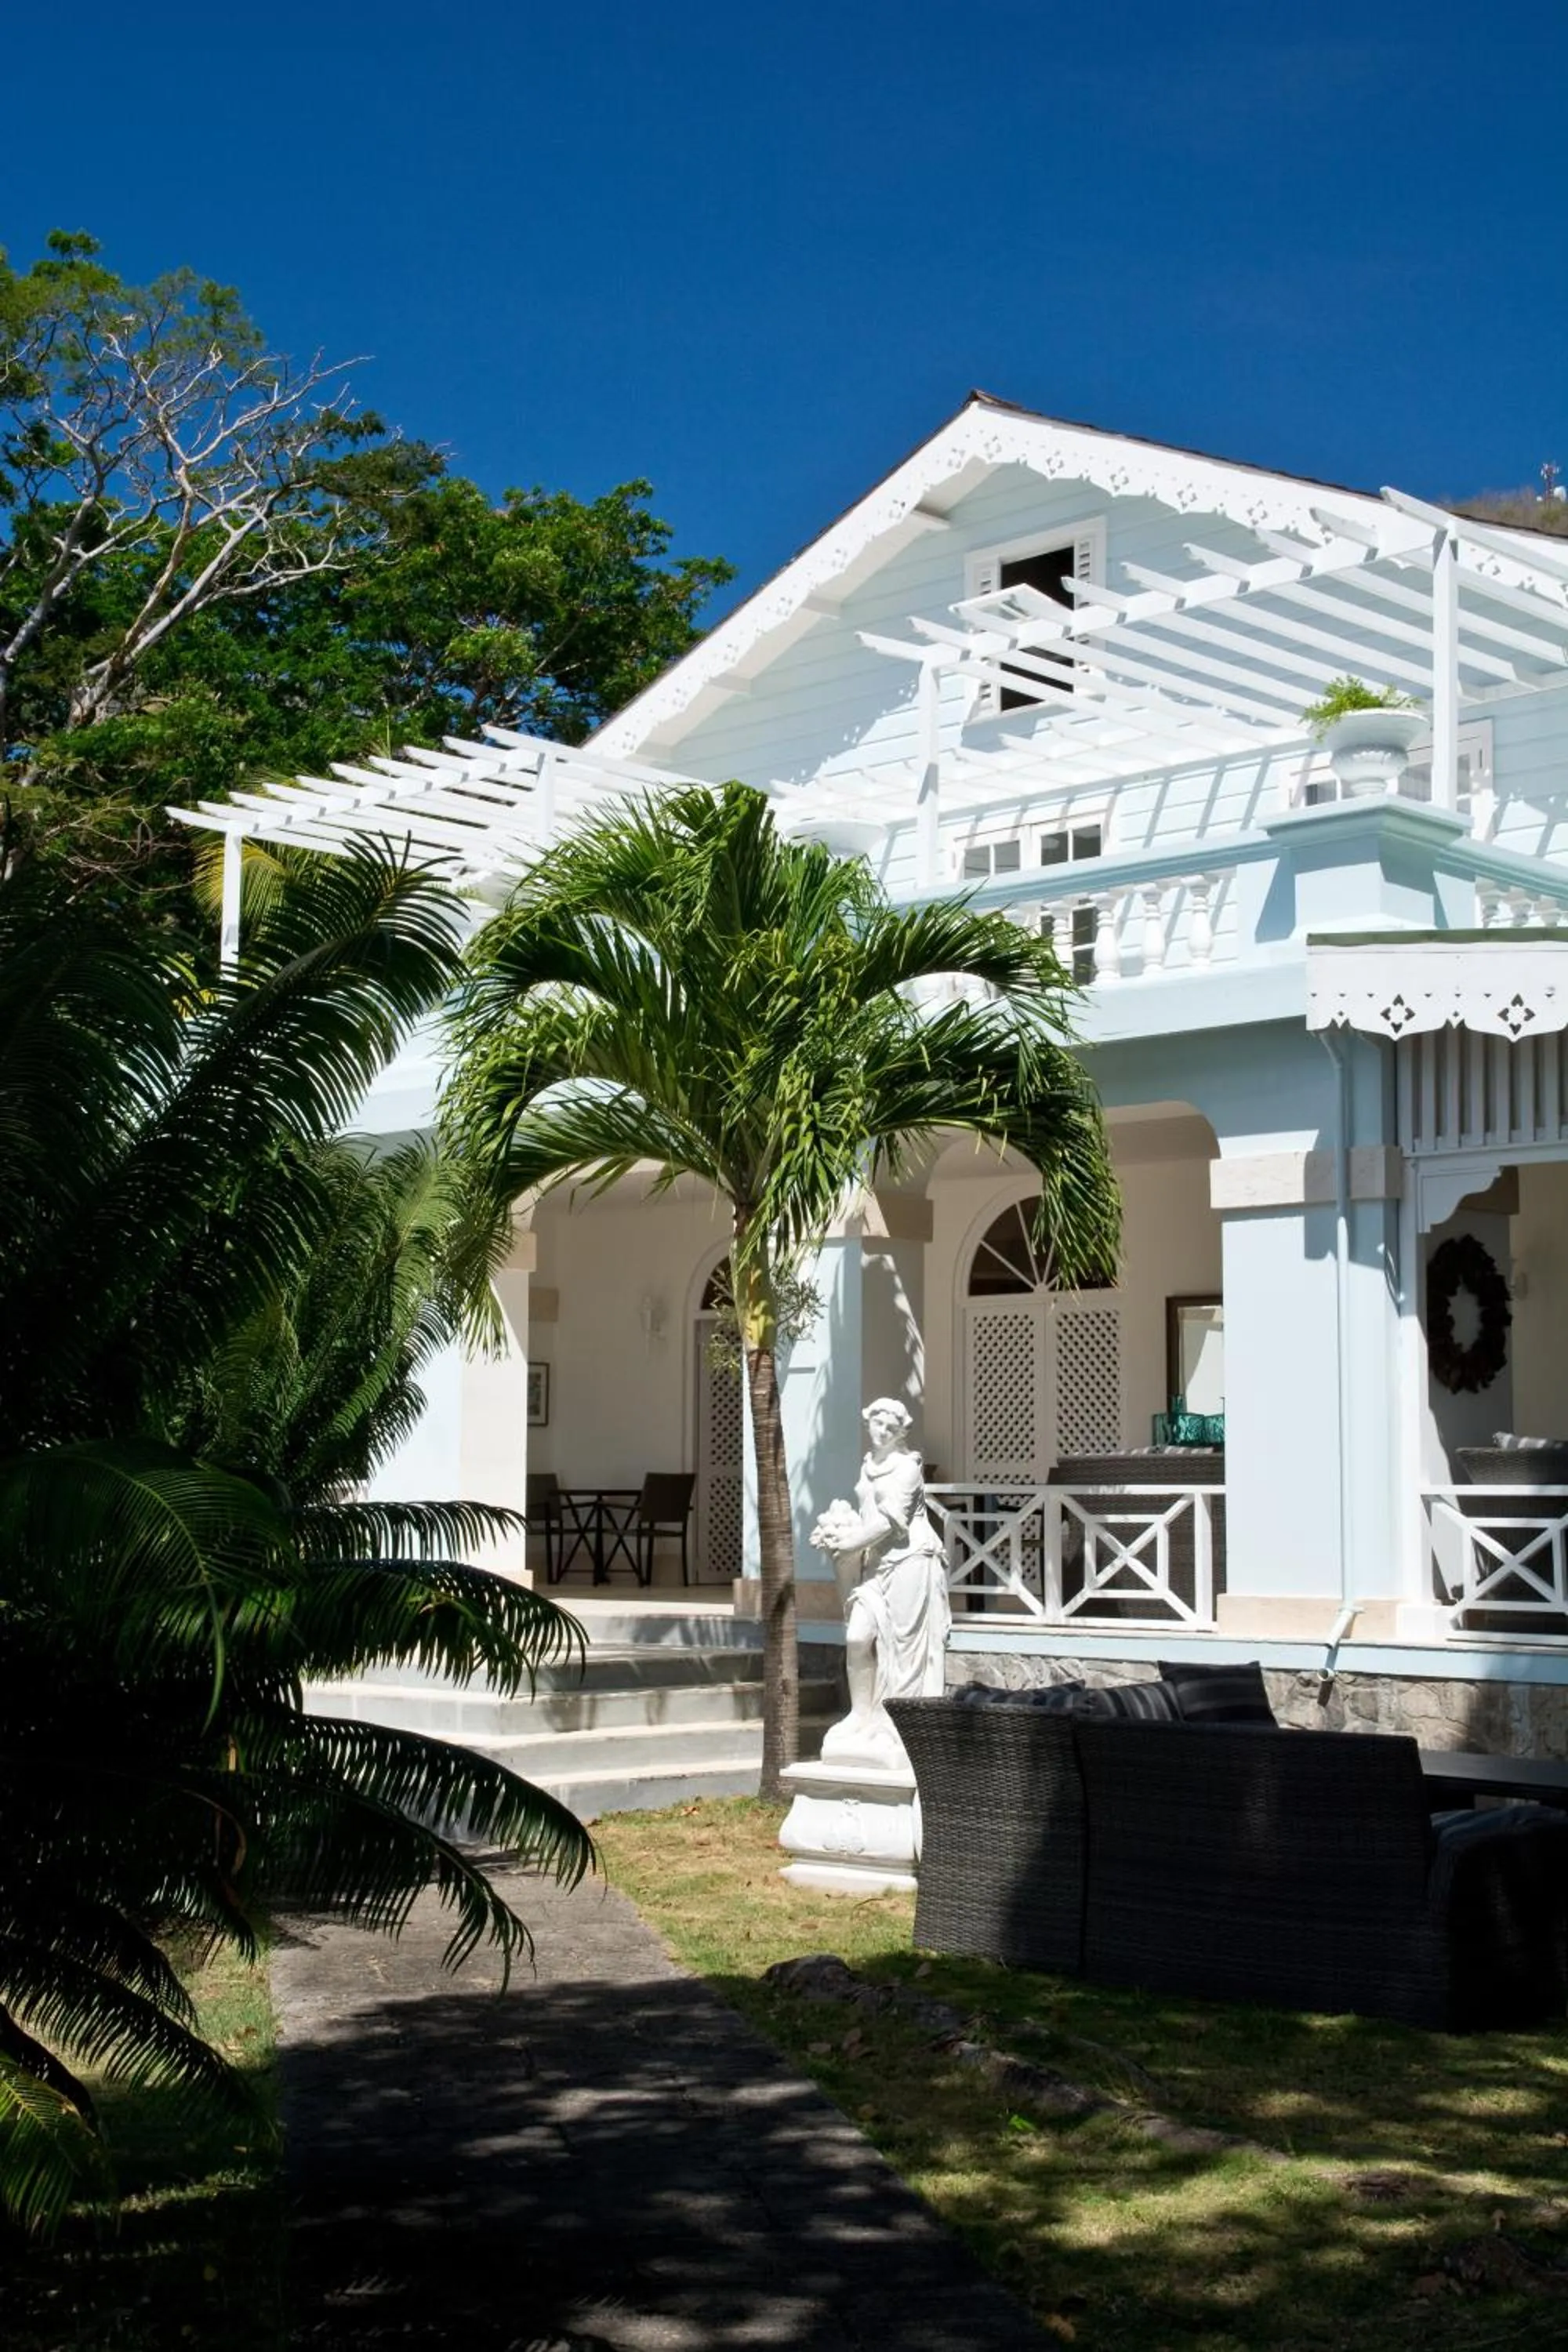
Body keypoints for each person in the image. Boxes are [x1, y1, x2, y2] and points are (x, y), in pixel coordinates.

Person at [809, 1399, 951, 1770]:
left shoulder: (908, 1467)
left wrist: (851, 1542)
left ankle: (896, 1721)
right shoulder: (868, 1464)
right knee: (858, 1637)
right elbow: (867, 1514)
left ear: (901, 1431)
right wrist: (836, 1531)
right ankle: (860, 1714)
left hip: (909, 1561)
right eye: (878, 1424)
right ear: (869, 1423)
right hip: (875, 1563)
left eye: (891, 1427)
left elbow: (893, 1520)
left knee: (903, 1649)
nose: (883, 1431)